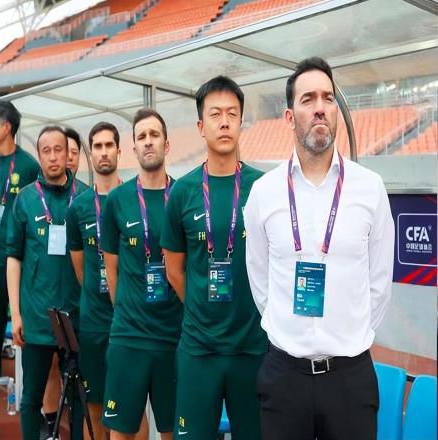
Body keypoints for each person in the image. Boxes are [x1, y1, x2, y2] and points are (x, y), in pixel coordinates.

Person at [244, 57, 395, 440]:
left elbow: (379, 283)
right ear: (289, 116)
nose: (320, 107)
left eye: (328, 98)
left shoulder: (370, 188)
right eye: (308, 98)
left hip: (350, 380)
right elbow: (260, 280)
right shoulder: (263, 193)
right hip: (284, 378)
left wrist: (348, 334)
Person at [161, 76, 266, 440]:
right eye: (215, 114)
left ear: (241, 123)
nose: (224, 122)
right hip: (198, 349)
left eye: (232, 114)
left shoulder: (264, 188)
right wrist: (201, 309)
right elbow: (174, 269)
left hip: (252, 348)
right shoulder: (182, 192)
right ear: (201, 126)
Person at [102, 109, 183, 440]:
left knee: (173, 431)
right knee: (122, 431)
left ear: (167, 144)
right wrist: (128, 313)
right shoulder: (116, 201)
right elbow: (111, 270)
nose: (148, 142)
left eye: (154, 135)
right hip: (129, 337)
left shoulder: (184, 195)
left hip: (175, 338)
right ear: (133, 148)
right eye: (141, 137)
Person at [6, 125, 87, 439]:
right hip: (37, 317)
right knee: (31, 398)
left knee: (79, 398)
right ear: (39, 156)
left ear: (69, 153)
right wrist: (16, 313)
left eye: (58, 149)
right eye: (46, 151)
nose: (53, 157)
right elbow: (14, 258)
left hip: (76, 316)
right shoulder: (26, 199)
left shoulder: (85, 197)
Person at [0, 100, 40, 440]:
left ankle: (34, 411)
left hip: (20, 266)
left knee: (27, 339)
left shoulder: (29, 166)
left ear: (7, 127)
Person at [67, 122, 122, 440]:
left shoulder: (132, 199)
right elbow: (80, 269)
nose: (103, 152)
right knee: (95, 405)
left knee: (127, 408)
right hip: (93, 322)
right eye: (97, 146)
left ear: (119, 150)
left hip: (128, 322)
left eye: (108, 145)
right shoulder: (79, 208)